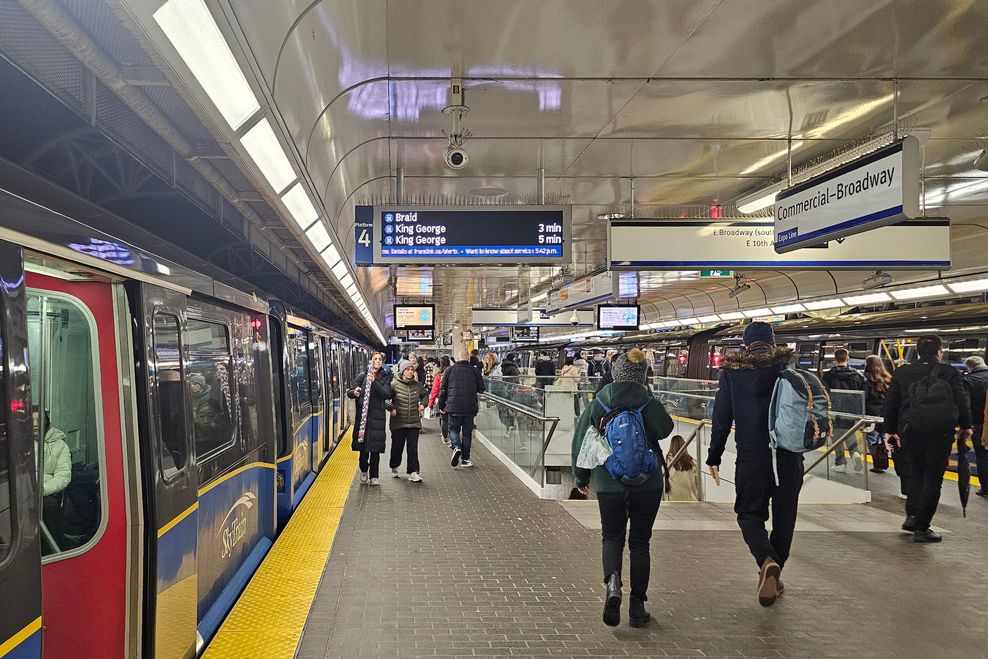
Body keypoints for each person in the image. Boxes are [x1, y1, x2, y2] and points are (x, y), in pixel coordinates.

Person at [571, 348, 674, 628]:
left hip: (609, 484)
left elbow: (581, 440)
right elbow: (666, 428)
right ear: (642, 376)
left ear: (615, 374)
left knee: (612, 538)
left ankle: (613, 583)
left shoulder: (601, 402)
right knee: (640, 543)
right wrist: (648, 402)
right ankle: (637, 607)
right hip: (647, 483)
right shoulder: (648, 401)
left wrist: (581, 479)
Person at [708, 322, 801, 607]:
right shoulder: (788, 372)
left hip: (752, 456)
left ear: (747, 345)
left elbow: (721, 418)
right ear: (773, 343)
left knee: (749, 514)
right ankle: (775, 571)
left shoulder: (733, 374)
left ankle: (766, 561)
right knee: (785, 517)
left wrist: (714, 456)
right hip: (788, 456)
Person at [883, 336, 973, 542]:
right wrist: (966, 426)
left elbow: (891, 404)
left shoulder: (902, 371)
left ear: (916, 351)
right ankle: (922, 528)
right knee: (933, 478)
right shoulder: (949, 372)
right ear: (939, 352)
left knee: (916, 472)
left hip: (910, 430)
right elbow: (960, 400)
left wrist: (890, 430)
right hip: (940, 431)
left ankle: (912, 517)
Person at [348, 352, 393, 485]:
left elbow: (385, 394)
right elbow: (350, 391)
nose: (377, 361)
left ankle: (375, 475)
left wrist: (374, 382)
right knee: (363, 448)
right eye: (375, 359)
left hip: (377, 417)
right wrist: (354, 392)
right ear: (371, 361)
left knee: (375, 449)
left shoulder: (385, 378)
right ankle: (363, 468)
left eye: (380, 359)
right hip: (363, 418)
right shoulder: (362, 376)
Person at [438, 348, 486, 468]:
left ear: (458, 358)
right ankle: (465, 460)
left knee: (453, 429)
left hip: (453, 407)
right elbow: (481, 389)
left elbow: (443, 389)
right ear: (469, 358)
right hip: (470, 407)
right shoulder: (475, 371)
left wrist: (441, 405)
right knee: (467, 433)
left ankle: (456, 446)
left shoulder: (449, 370)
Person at [822, 348, 867, 472]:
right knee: (849, 432)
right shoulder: (857, 375)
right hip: (852, 411)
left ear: (834, 360)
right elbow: (864, 391)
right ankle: (855, 453)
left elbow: (824, 393)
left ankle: (840, 462)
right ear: (848, 359)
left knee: (836, 435)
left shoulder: (828, 375)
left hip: (835, 410)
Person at [389, 363, 428, 482]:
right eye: (408, 370)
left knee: (412, 448)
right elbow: (386, 398)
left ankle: (413, 471)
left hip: (414, 422)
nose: (410, 372)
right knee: (397, 447)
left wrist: (422, 404)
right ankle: (394, 466)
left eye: (412, 370)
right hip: (398, 422)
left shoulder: (417, 385)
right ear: (402, 371)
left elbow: (425, 395)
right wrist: (391, 407)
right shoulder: (394, 384)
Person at [962, 356, 988, 497]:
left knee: (983, 454)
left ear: (969, 368)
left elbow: (966, 405)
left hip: (979, 423)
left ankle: (986, 488)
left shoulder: (969, 380)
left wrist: (966, 425)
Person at [863, 355, 892, 474]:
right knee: (881, 438)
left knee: (872, 439)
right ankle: (883, 462)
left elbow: (864, 397)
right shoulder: (887, 378)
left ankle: (878, 464)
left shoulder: (866, 379)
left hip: (871, 414)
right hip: (884, 414)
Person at [665, 435, 700, 502]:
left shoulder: (667, 462)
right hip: (691, 500)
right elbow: (698, 485)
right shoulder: (693, 463)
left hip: (672, 501)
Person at [429, 356, 452, 446]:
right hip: (453, 399)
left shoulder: (439, 376)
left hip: (442, 400)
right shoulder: (453, 373)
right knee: (451, 419)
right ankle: (452, 434)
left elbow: (434, 390)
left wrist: (430, 403)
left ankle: (445, 436)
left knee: (444, 419)